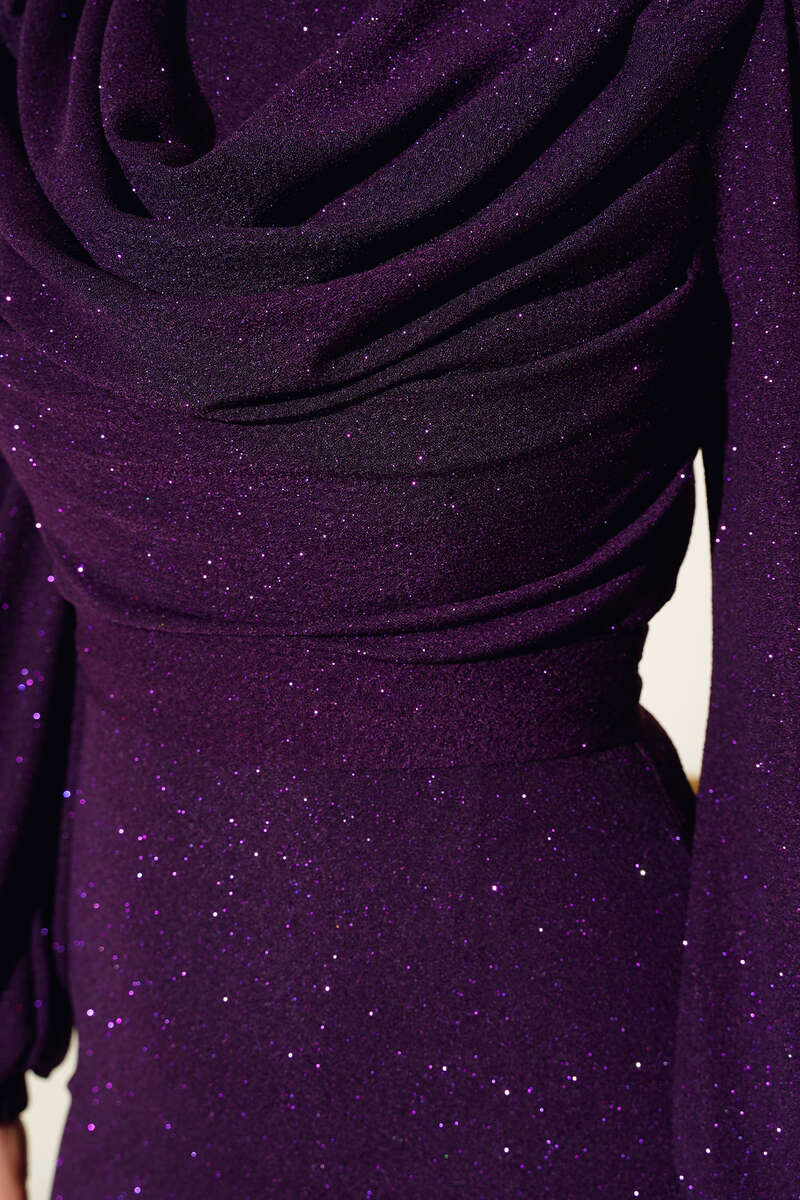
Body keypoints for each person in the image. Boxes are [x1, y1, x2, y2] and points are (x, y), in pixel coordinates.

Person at [0, 1, 797, 1196]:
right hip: (154, 1080)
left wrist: (770, 1138)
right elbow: (21, 530)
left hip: (558, 1077)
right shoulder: (48, 32)